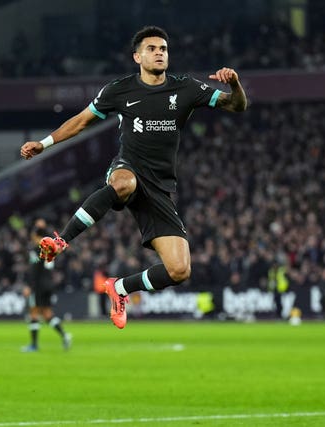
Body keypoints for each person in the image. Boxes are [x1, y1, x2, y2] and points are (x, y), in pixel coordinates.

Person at [20, 26, 248, 329]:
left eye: (163, 49)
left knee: (180, 270)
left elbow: (236, 105)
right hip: (127, 167)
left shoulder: (186, 89)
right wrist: (44, 143)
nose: (159, 53)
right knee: (124, 183)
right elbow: (81, 121)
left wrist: (235, 84)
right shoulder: (119, 89)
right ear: (137, 56)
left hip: (160, 187)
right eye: (152, 49)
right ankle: (61, 240)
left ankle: (120, 288)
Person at [21, 218, 72, 352]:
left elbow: (34, 269)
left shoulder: (36, 248)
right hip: (49, 283)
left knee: (34, 313)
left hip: (38, 285)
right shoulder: (51, 247)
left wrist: (28, 286)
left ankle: (33, 345)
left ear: (36, 236)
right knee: (47, 314)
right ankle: (65, 335)